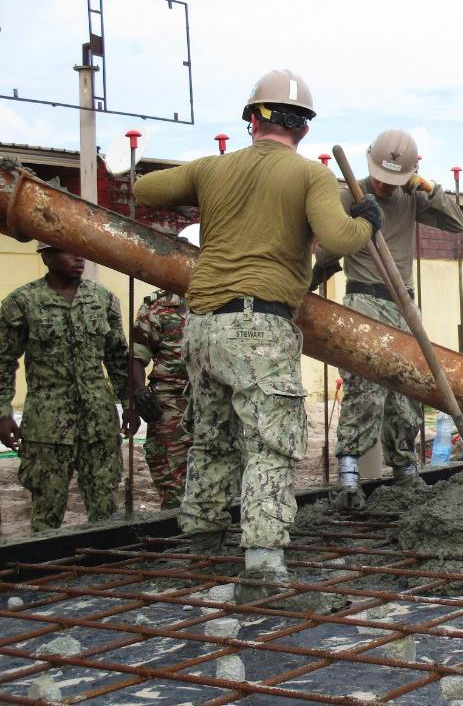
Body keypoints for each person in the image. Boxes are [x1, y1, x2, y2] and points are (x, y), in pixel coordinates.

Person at [134, 69, 378, 603]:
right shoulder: (309, 176)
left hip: (201, 328)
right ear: (304, 129)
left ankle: (198, 543)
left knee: (213, 440)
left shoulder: (213, 169)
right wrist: (366, 223)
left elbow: (144, 187)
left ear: (252, 119)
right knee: (271, 446)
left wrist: (209, 192)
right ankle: (264, 571)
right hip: (258, 328)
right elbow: (337, 237)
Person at [312, 129, 463, 510]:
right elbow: (329, 249)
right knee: (366, 386)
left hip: (403, 303)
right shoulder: (350, 192)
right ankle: (349, 474)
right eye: (381, 175)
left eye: (395, 179)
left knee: (408, 389)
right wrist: (357, 226)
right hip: (364, 296)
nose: (384, 184)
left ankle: (404, 469)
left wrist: (427, 186)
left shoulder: (411, 196)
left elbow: (457, 222)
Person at [0, 243, 138, 531]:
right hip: (48, 427)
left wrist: (129, 404)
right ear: (47, 257)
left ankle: (102, 564)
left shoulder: (102, 299)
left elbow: (117, 357)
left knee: (105, 509)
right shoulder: (23, 302)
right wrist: (2, 411)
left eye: (81, 250)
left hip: (98, 422)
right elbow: (3, 359)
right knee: (46, 511)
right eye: (67, 251)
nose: (79, 257)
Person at [130, 286, 190, 510]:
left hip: (214, 402)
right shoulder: (159, 304)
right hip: (171, 404)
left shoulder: (225, 297)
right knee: (174, 488)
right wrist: (138, 391)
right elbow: (137, 354)